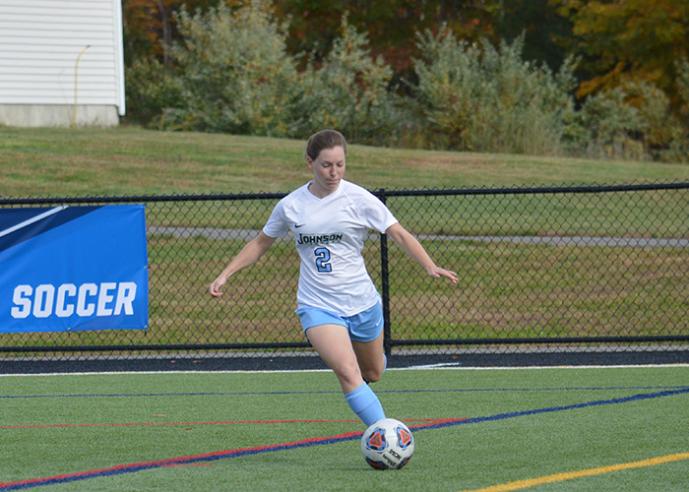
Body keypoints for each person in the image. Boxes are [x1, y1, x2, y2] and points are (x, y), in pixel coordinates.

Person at [209, 129, 457, 426]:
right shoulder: (291, 206)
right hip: (317, 305)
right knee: (348, 372)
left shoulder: (359, 199)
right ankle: (383, 431)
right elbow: (261, 242)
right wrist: (226, 274)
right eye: (326, 164)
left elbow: (398, 233)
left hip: (362, 302)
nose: (334, 172)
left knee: (373, 373)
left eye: (340, 164)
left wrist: (429, 265)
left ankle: (369, 387)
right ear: (309, 163)